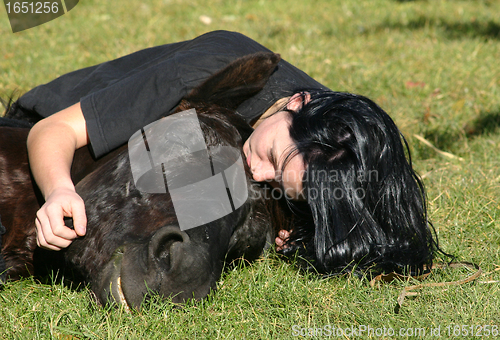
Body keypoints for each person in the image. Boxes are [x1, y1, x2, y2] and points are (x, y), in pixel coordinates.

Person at [10, 30, 440, 274]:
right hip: (39, 137)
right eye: (272, 156)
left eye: (283, 189)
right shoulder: (211, 68)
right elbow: (52, 131)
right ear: (298, 102)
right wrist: (59, 192)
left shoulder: (334, 143)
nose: (259, 172)